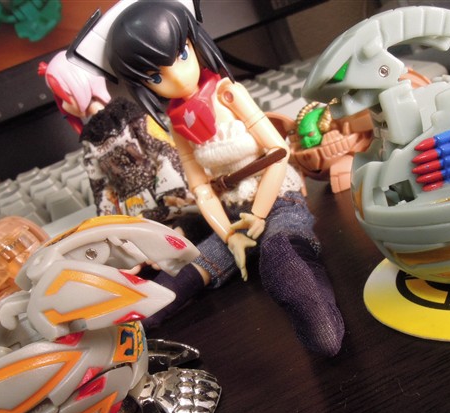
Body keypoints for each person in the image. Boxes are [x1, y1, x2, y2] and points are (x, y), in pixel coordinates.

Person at [107, 1, 345, 356]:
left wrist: (259, 214)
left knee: (281, 251)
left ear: (193, 43)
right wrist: (229, 235)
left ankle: (324, 332)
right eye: (155, 77)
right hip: (232, 214)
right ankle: (122, 331)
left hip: (278, 199)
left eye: (181, 55)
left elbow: (278, 152)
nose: (177, 77)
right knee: (189, 271)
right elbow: (201, 188)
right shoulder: (178, 123)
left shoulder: (228, 94)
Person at [39, 50, 206, 238]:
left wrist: (173, 195)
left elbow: (164, 152)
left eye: (63, 97)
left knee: (182, 233)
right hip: (133, 211)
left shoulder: (130, 116)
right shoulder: (90, 139)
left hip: (165, 199)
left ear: (80, 85)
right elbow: (101, 187)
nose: (63, 106)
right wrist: (108, 222)